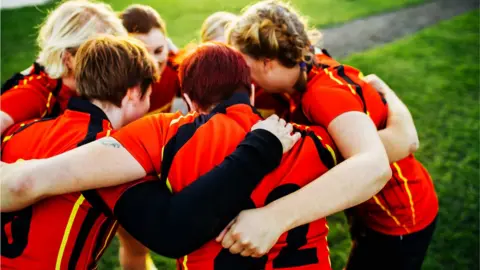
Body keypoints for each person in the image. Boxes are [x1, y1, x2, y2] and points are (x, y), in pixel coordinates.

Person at [0, 36, 296, 269]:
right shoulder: (105, 154)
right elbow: (171, 229)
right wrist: (259, 150)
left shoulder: (18, 131)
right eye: (150, 94)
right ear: (133, 93)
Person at [226, 1, 438, 269]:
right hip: (365, 207)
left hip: (398, 220)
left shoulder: (322, 94)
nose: (248, 80)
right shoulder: (303, 66)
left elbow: (374, 167)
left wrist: (273, 218)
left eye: (247, 68)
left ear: (268, 62)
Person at [0, 0, 127, 134]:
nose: (112, 62)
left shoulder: (93, 84)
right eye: (100, 56)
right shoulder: (34, 93)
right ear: (67, 59)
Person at [120, 4, 188, 115]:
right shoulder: (110, 81)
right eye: (142, 53)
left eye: (158, 51)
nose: (153, 62)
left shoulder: (175, 69)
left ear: (167, 45)